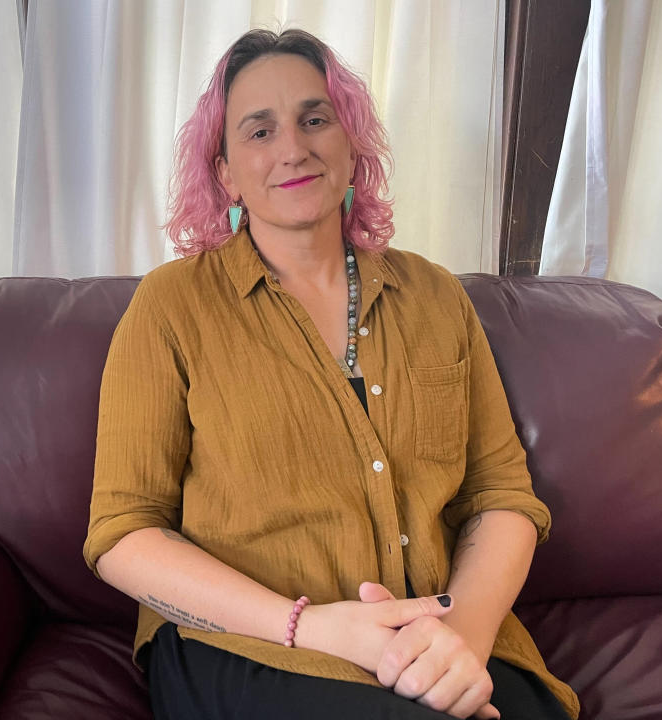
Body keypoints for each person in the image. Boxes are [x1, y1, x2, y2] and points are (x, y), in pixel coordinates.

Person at [84, 28, 579, 720]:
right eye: (259, 131)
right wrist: (311, 627)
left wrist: (456, 641)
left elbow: (502, 494)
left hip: (439, 635)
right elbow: (121, 532)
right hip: (250, 646)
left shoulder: (437, 299)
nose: (293, 147)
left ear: (351, 146)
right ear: (223, 171)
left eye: (315, 119)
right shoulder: (170, 308)